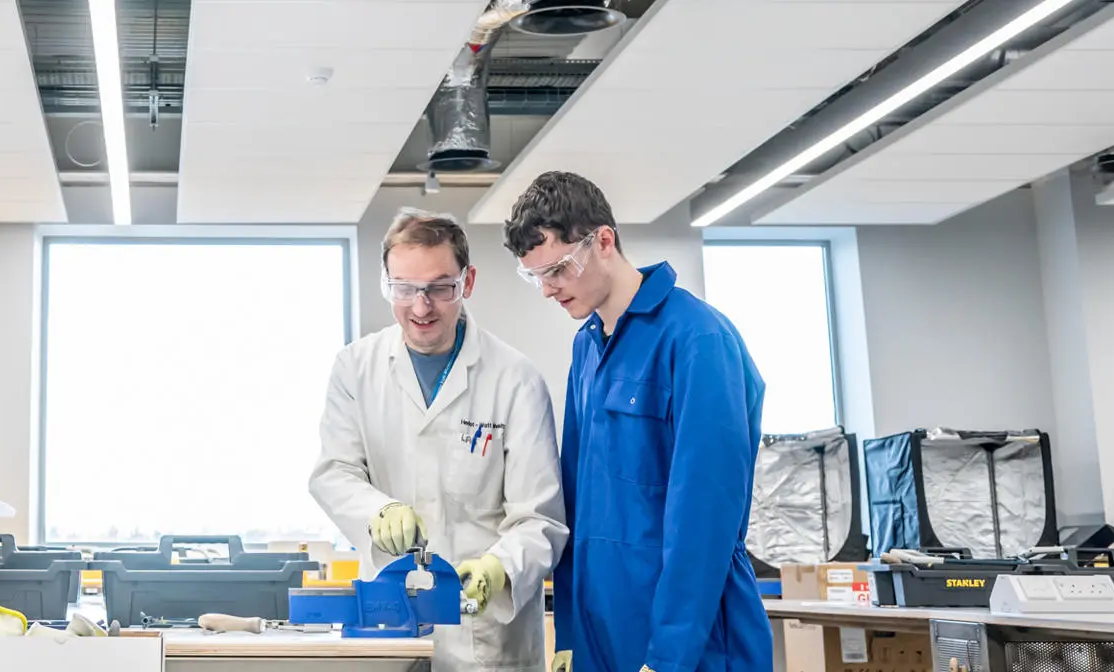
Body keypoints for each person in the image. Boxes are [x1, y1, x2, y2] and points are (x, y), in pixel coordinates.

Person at [503, 171, 770, 672]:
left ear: (603, 240)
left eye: (557, 269)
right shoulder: (587, 347)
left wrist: (670, 657)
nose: (546, 290)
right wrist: (570, 632)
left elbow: (705, 518)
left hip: (692, 639)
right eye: (535, 276)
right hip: (603, 631)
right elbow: (574, 501)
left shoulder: (697, 340)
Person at [311, 207, 568, 672]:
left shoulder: (515, 380)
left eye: (439, 288)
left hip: (487, 638)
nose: (421, 306)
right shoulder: (355, 368)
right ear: (386, 282)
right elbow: (334, 472)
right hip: (391, 627)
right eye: (404, 288)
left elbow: (540, 519)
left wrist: (500, 567)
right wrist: (378, 511)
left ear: (467, 283)